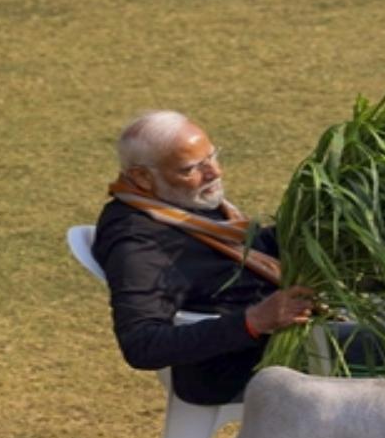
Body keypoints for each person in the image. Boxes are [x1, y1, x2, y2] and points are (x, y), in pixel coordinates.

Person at [92, 110, 313, 405]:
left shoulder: (178, 205)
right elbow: (142, 345)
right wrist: (255, 321)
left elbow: (248, 251)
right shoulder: (139, 243)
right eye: (191, 168)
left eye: (212, 157)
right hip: (238, 368)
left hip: (283, 344)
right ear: (142, 177)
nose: (214, 173)